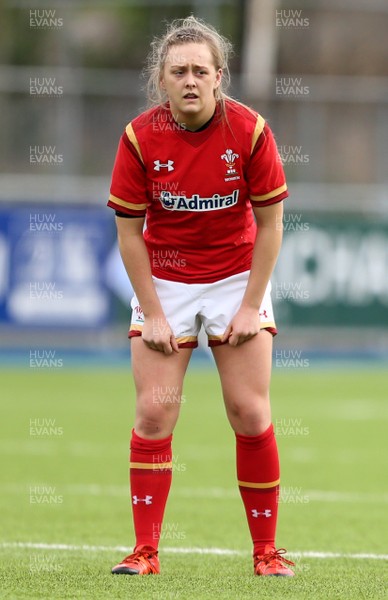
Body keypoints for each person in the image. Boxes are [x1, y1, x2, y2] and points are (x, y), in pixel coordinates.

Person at [107, 15, 295, 577]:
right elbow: (129, 234)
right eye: (178, 71)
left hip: (238, 275)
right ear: (160, 81)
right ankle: (145, 552)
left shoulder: (251, 131)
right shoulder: (140, 137)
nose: (190, 80)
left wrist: (247, 307)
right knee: (154, 413)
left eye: (200, 70)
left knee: (248, 410)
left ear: (220, 77)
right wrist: (157, 315)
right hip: (165, 279)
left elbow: (271, 224)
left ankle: (266, 552)